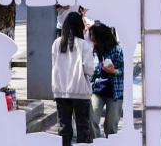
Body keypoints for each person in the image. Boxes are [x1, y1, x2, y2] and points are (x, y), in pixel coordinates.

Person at [52, 11, 95, 145]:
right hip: (80, 91)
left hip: (60, 91)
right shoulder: (83, 45)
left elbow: (54, 66)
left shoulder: (56, 43)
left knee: (64, 129)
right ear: (79, 27)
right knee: (83, 128)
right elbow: (89, 69)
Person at [89, 23, 124, 138]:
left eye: (93, 36)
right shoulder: (96, 50)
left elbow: (125, 69)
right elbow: (94, 70)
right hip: (98, 90)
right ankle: (96, 142)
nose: (91, 38)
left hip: (115, 92)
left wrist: (114, 71)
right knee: (92, 119)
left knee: (111, 126)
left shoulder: (117, 50)